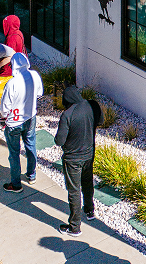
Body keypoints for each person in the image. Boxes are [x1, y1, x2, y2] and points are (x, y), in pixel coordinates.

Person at [55, 85, 97, 235]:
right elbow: (100, 120)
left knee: (74, 191)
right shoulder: (92, 105)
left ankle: (74, 227)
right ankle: (90, 210)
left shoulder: (67, 115)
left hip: (72, 159)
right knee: (87, 182)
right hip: (89, 154)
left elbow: (59, 141)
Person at [0, 52, 43, 192]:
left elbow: (4, 107)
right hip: (30, 118)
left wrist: (5, 116)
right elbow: (39, 93)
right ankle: (32, 175)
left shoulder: (12, 82)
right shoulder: (34, 75)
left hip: (14, 123)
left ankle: (16, 184)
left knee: (14, 153)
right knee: (31, 146)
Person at [0, 14, 27, 107]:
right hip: (17, 66)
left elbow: (10, 56)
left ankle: (5, 111)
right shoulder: (18, 33)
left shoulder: (12, 38)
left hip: (8, 69)